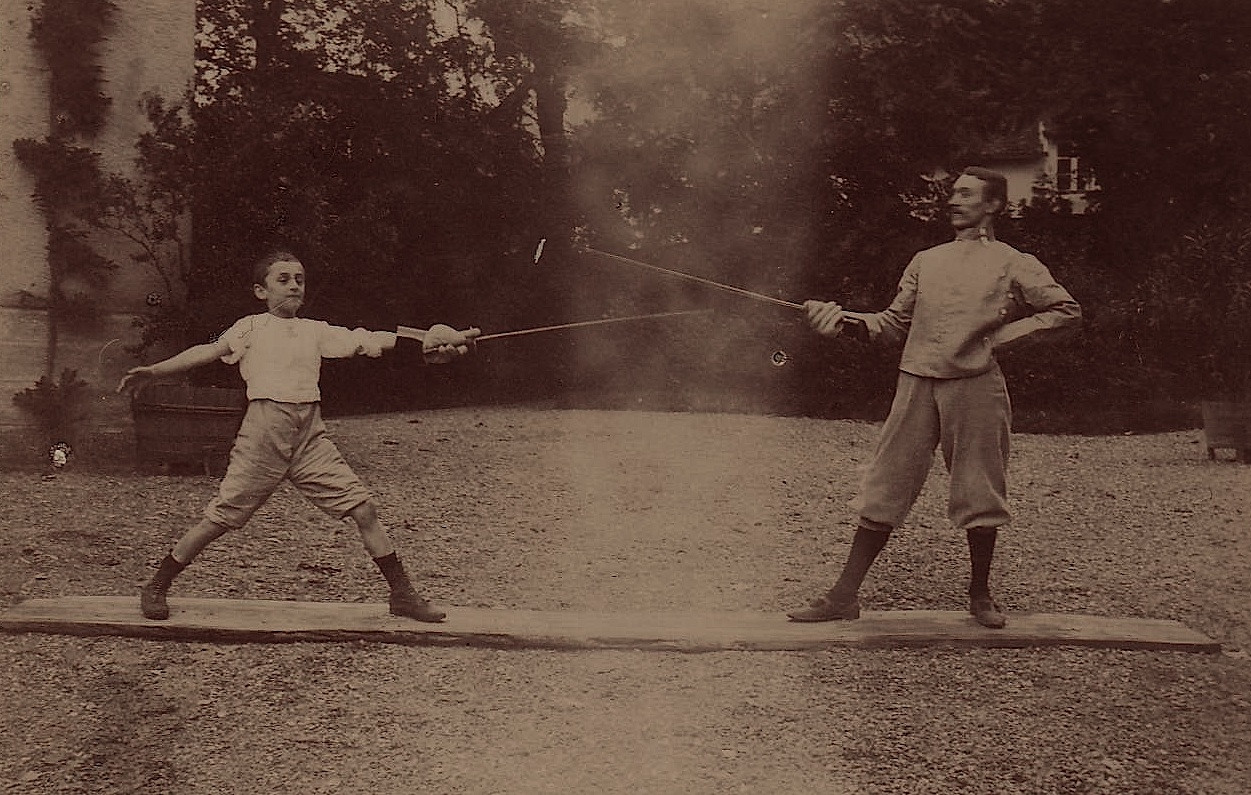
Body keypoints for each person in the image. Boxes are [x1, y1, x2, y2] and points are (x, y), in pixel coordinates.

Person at [118, 249, 479, 623]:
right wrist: (155, 371)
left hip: (309, 436)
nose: (293, 286)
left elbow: (368, 340)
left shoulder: (315, 331)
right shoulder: (250, 327)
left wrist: (428, 341)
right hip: (263, 435)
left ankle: (402, 595)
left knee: (363, 508)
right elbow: (207, 351)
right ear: (261, 291)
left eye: (299, 279)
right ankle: (157, 585)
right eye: (283, 279)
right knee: (221, 518)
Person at [788, 166, 1081, 628]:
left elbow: (1064, 310)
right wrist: (840, 319)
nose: (954, 200)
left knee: (979, 486)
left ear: (993, 206)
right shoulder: (926, 259)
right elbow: (890, 324)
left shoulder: (1013, 261)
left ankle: (980, 596)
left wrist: (995, 339)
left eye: (966, 194)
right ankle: (843, 596)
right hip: (916, 381)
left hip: (976, 383)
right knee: (886, 481)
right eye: (953, 193)